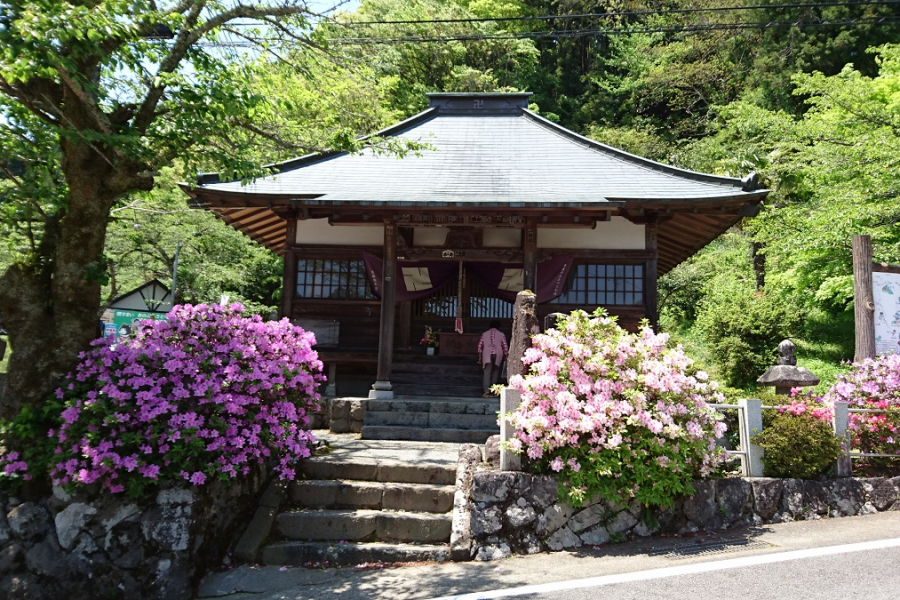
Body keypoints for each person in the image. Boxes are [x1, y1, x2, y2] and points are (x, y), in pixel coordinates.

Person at [477, 320, 508, 397]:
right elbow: (505, 347)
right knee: (496, 371)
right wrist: (506, 356)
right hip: (498, 354)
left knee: (487, 372)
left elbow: (480, 347)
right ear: (499, 327)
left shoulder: (484, 334)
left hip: (487, 354)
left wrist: (480, 357)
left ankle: (486, 391)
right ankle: (494, 390)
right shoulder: (501, 334)